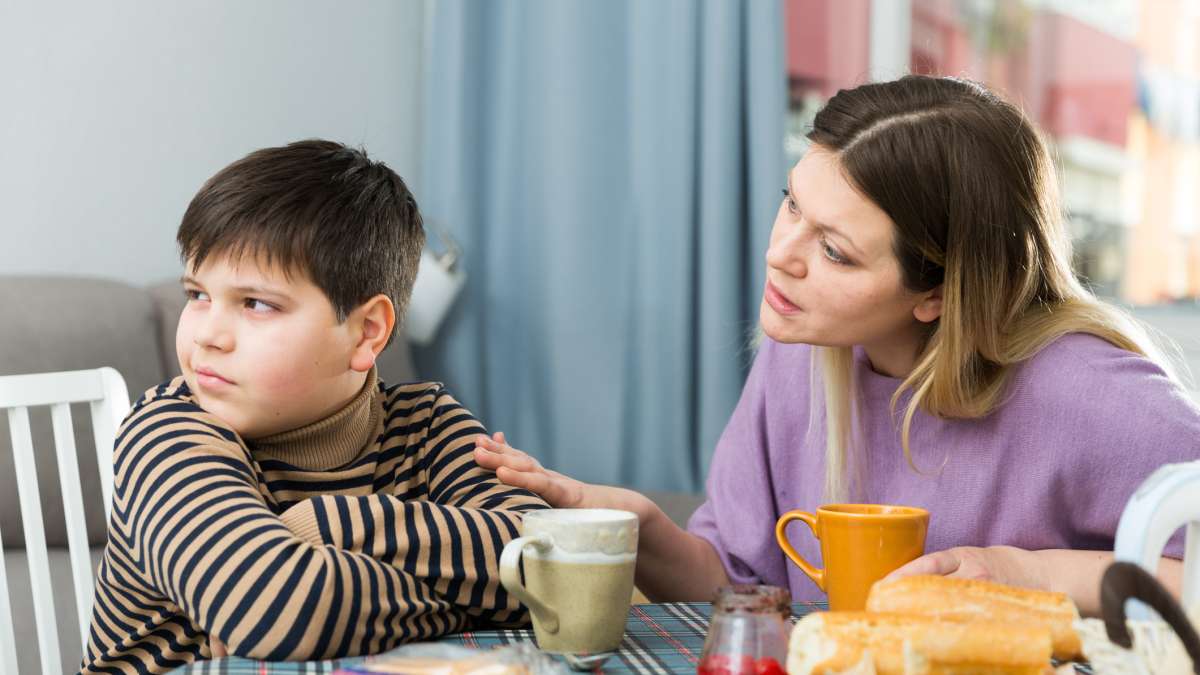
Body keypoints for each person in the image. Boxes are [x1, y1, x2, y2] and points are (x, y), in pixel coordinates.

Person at [474, 75, 1200, 616]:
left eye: (836, 251)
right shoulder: (805, 346)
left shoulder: (1091, 393)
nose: (781, 255)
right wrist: (641, 525)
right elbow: (742, 588)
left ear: (937, 295)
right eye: (792, 202)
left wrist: (1033, 574)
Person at [81, 140, 548, 674]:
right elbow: (269, 610)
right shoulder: (168, 432)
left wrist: (325, 524)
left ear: (366, 332)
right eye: (197, 293)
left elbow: (551, 562)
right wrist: (463, 609)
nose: (207, 334)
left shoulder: (428, 424)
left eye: (256, 303)